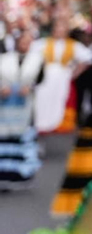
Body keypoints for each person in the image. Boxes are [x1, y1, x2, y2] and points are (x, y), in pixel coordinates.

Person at [32, 18, 91, 134]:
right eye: (57, 28)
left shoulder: (73, 45)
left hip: (62, 78)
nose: (59, 31)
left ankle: (56, 123)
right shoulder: (43, 43)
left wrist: (75, 73)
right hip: (46, 77)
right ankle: (41, 124)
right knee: (42, 99)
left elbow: (88, 58)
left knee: (58, 99)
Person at [0, 29, 42, 188]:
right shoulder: (4, 59)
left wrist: (29, 88)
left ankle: (21, 173)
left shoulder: (37, 60)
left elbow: (40, 80)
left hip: (25, 107)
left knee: (22, 139)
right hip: (5, 107)